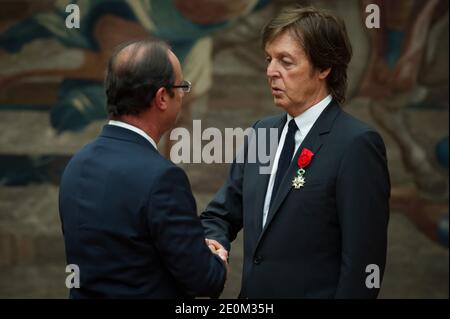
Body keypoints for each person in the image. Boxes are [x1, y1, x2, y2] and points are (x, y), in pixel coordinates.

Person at [201, 7, 390, 298]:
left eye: (285, 62)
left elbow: (364, 263)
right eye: (269, 59)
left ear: (324, 67)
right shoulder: (262, 133)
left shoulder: (356, 144)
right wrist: (215, 240)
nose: (270, 71)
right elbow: (220, 215)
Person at [59, 40, 227, 298]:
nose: (183, 95)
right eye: (181, 87)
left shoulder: (77, 163)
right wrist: (215, 255)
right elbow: (205, 281)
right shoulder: (162, 178)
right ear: (162, 98)